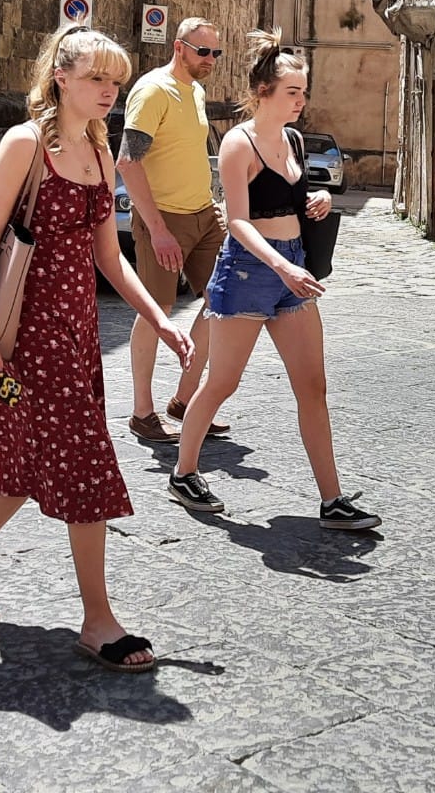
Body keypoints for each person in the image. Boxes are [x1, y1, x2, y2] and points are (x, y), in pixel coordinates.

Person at [0, 26, 193, 670]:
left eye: (115, 81)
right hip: (23, 340)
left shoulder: (101, 154)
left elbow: (110, 256)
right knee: (88, 462)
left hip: (75, 338)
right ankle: (99, 619)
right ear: (62, 78)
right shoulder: (26, 144)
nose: (109, 91)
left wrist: (158, 317)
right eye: (97, 78)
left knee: (22, 461)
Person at [168, 29, 380, 531]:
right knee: (222, 382)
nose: (301, 102)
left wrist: (320, 203)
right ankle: (183, 472)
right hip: (247, 271)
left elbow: (294, 201)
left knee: (313, 386)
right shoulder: (239, 144)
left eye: (304, 92)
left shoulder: (295, 140)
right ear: (263, 91)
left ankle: (332, 500)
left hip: (293, 265)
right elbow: (238, 221)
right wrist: (280, 265)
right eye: (292, 92)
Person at [117, 17, 228, 445]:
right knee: (155, 311)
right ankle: (142, 413)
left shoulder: (196, 92)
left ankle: (185, 401)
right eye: (204, 52)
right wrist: (159, 230)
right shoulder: (152, 91)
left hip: (204, 214)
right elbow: (127, 163)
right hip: (163, 218)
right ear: (179, 48)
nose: (211, 60)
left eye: (216, 53)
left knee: (225, 302)